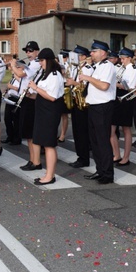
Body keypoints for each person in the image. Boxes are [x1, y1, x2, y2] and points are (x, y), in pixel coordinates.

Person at [79, 40, 117, 184]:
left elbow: (104, 86)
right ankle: (100, 170)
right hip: (94, 106)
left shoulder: (108, 66)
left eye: (94, 51)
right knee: (94, 141)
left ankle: (107, 174)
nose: (91, 54)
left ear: (103, 52)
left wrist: (88, 78)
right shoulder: (97, 66)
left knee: (102, 141)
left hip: (103, 107)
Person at [28, 48, 65, 185]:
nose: (40, 63)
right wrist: (32, 93)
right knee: (44, 142)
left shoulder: (55, 75)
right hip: (43, 111)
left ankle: (50, 176)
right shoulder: (46, 74)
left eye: (42, 60)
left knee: (49, 144)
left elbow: (52, 97)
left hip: (50, 112)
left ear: (48, 61)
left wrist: (36, 88)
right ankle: (48, 173)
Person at [13, 41, 42, 170]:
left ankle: (36, 162)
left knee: (31, 133)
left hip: (31, 100)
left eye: (31, 51)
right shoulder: (30, 64)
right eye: (27, 51)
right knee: (28, 134)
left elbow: (20, 74)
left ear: (37, 51)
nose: (28, 53)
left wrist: (13, 65)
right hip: (26, 99)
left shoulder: (36, 64)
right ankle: (32, 160)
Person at [66, 45, 93, 168]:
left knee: (82, 132)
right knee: (77, 131)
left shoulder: (87, 68)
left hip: (83, 103)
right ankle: (80, 156)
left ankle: (84, 158)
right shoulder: (76, 68)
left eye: (77, 56)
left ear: (83, 56)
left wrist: (74, 83)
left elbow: (86, 85)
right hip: (75, 101)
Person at [112, 48, 136, 165]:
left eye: (123, 58)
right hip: (116, 97)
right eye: (121, 58)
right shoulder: (122, 68)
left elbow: (130, 87)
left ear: (129, 58)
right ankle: (116, 154)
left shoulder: (133, 69)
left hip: (126, 98)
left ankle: (126, 157)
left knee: (126, 128)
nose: (121, 61)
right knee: (111, 129)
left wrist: (114, 83)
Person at [1, 59, 23, 147]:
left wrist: (12, 87)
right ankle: (10, 136)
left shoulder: (21, 78)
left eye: (18, 67)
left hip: (16, 99)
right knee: (7, 118)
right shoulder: (14, 77)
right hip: (10, 98)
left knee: (16, 120)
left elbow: (21, 89)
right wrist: (7, 89)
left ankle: (17, 138)